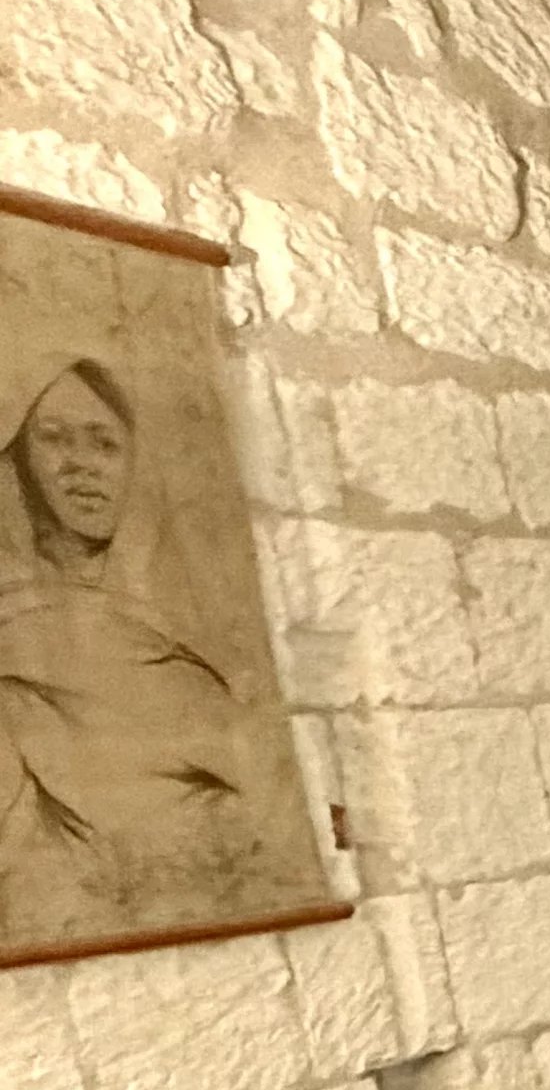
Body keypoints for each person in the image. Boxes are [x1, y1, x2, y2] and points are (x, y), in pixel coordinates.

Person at [0, 349, 315, 951]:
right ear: (17, 461)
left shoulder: (181, 620)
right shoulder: (22, 632)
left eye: (104, 443)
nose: (81, 464)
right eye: (54, 439)